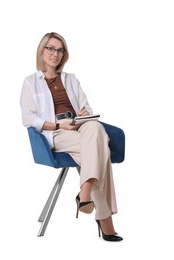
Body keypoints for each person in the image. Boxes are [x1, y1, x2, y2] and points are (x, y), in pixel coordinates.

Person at [20, 32, 123, 242]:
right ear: (42, 50)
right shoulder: (31, 82)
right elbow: (28, 119)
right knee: (100, 150)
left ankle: (85, 191)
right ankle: (105, 221)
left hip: (80, 126)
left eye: (59, 50)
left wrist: (83, 114)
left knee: (95, 128)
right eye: (50, 48)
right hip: (56, 131)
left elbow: (86, 106)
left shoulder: (71, 79)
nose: (55, 54)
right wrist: (58, 124)